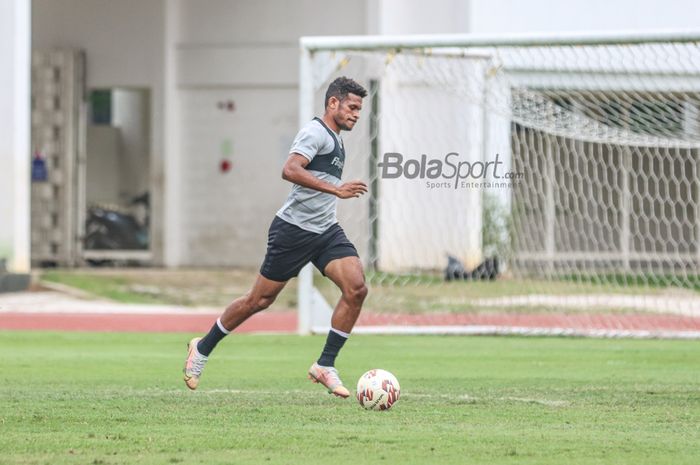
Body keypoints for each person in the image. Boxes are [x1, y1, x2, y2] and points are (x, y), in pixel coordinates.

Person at [183, 77, 369, 398]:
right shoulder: (315, 133)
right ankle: (202, 346)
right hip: (293, 231)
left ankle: (325, 364)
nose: (356, 114)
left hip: (324, 230)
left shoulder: (337, 138)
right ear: (332, 103)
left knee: (356, 288)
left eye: (359, 109)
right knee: (259, 301)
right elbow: (290, 169)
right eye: (352, 107)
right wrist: (336, 190)